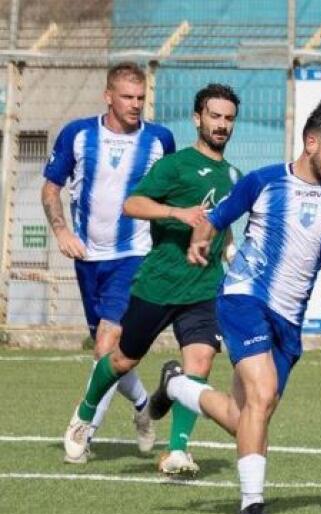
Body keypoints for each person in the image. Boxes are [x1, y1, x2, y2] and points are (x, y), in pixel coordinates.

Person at [150, 100, 321, 514]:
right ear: (311, 141)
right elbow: (216, 216)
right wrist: (199, 238)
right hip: (244, 298)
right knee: (261, 393)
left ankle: (177, 386)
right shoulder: (263, 182)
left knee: (247, 414)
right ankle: (252, 504)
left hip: (288, 321)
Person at [62, 84, 241, 475]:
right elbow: (132, 204)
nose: (221, 125)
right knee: (123, 359)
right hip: (160, 283)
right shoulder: (174, 166)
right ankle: (85, 414)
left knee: (201, 361)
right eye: (215, 116)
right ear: (198, 118)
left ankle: (177, 450)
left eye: (228, 118)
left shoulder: (232, 176)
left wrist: (229, 250)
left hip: (204, 288)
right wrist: (179, 214)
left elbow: (221, 225)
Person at [45, 62, 176, 462]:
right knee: (104, 355)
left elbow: (169, 194)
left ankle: (81, 431)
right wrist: (62, 233)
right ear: (108, 96)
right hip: (88, 259)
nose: (136, 105)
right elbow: (51, 189)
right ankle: (142, 406)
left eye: (141, 98)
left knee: (107, 343)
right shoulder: (79, 134)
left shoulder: (159, 140)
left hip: (134, 256)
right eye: (127, 97)